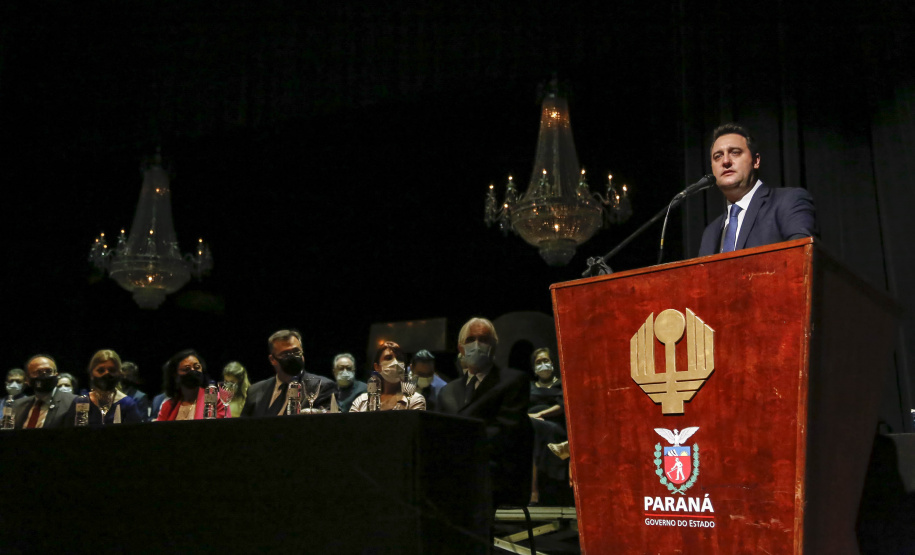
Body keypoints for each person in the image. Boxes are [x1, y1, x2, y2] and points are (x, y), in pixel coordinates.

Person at [438, 317, 533, 508]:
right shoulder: (447, 391)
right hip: (456, 470)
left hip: (493, 472)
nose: (477, 345)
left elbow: (506, 433)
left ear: (494, 345)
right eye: (470, 340)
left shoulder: (513, 381)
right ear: (460, 348)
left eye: (483, 339)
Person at [698, 123, 817, 256]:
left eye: (735, 153)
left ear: (756, 161)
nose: (725, 161)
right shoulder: (711, 232)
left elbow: (801, 257)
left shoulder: (788, 201)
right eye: (718, 156)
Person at [241, 329, 338, 417]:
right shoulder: (255, 391)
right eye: (285, 354)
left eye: (296, 352)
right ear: (272, 359)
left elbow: (328, 426)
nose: (293, 357)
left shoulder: (322, 387)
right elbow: (243, 428)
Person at [349, 342, 425, 411]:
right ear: (377, 367)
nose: (395, 362)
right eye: (388, 358)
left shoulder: (414, 400)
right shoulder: (361, 401)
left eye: (399, 358)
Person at [76, 350, 143, 425]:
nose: (106, 374)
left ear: (119, 374)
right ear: (91, 374)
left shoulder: (128, 404)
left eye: (112, 370)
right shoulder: (81, 402)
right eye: (101, 370)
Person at [156, 349, 227, 421]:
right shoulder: (168, 406)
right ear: (175, 375)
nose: (193, 371)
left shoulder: (216, 400)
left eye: (197, 367)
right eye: (186, 369)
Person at [10, 355, 76, 429]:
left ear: (56, 376)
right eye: (38, 372)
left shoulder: (73, 403)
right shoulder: (18, 406)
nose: (44, 375)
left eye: (49, 371)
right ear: (27, 380)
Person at [528, 348, 564, 425]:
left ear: (552, 363)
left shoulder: (562, 384)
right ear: (534, 368)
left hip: (555, 426)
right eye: (538, 362)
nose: (542, 364)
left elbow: (563, 405)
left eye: (545, 360)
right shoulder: (528, 387)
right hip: (531, 424)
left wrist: (539, 414)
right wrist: (530, 417)